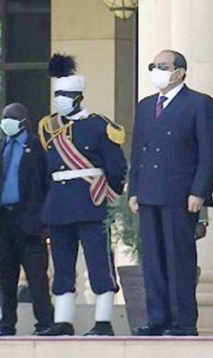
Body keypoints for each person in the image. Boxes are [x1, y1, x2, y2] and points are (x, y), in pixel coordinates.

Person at [129, 50, 213, 336]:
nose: (156, 70)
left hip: (181, 194)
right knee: (153, 259)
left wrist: (200, 191)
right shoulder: (146, 106)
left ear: (180, 72)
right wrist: (134, 190)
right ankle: (157, 318)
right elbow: (138, 150)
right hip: (149, 192)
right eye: (153, 66)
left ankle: (182, 322)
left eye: (163, 66)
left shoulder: (199, 104)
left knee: (178, 257)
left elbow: (210, 152)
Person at [37, 54, 128, 336]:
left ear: (77, 96)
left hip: (92, 202)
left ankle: (103, 321)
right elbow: (43, 171)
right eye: (58, 94)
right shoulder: (48, 127)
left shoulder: (100, 125)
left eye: (65, 95)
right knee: (62, 267)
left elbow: (116, 167)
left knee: (99, 264)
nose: (60, 99)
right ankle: (63, 320)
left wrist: (109, 195)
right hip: (59, 206)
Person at [0, 103, 53, 335]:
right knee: (5, 277)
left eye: (11, 118)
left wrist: (45, 220)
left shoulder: (37, 147)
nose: (6, 122)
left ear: (23, 121)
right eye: (4, 118)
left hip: (30, 222)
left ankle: (44, 323)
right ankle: (6, 324)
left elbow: (46, 184)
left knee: (37, 277)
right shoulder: (2, 147)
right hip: (4, 222)